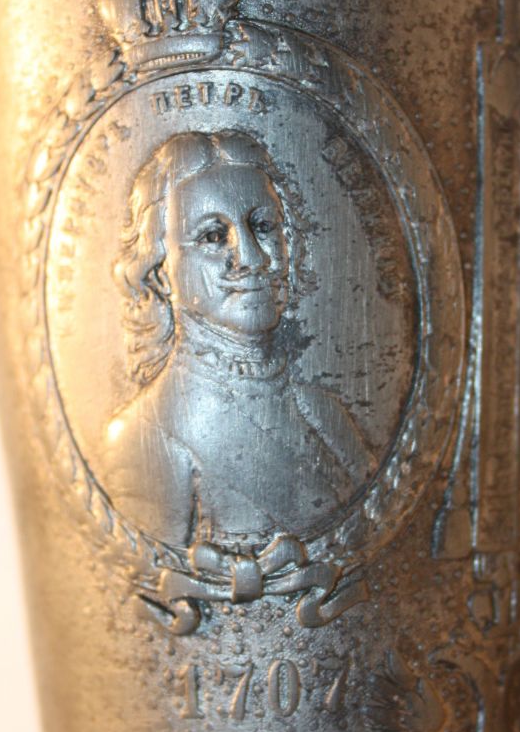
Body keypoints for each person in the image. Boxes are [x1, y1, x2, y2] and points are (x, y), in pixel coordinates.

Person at [103, 129, 376, 550]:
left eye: (263, 226)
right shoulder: (142, 439)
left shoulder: (325, 413)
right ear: (160, 273)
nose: (252, 258)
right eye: (213, 237)